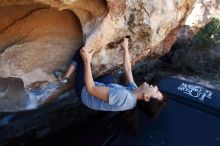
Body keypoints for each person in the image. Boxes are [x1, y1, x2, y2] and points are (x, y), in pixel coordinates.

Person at [55, 37, 166, 112]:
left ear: (146, 98)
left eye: (156, 91)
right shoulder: (135, 92)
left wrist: (87, 61)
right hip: (102, 89)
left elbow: (91, 89)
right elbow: (127, 69)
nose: (156, 87)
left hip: (84, 91)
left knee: (84, 50)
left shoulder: (124, 97)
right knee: (108, 76)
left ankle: (65, 78)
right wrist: (125, 48)